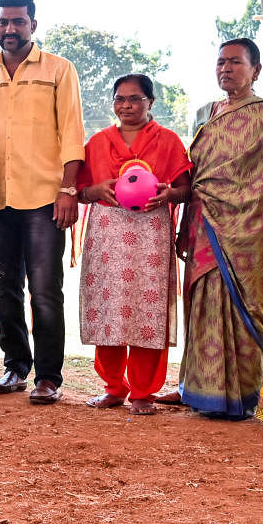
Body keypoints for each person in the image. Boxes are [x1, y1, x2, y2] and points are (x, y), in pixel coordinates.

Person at [0, 0, 84, 405]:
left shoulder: (58, 70)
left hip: (44, 199)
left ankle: (48, 377)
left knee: (46, 290)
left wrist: (68, 190)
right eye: (3, 22)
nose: (10, 29)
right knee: (5, 289)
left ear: (33, 25)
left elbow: (72, 131)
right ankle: (15, 366)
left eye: (18, 22)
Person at [165, 39, 263, 421]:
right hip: (204, 222)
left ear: (256, 70)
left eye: (235, 62)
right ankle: (196, 386)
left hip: (246, 230)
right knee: (201, 300)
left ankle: (245, 393)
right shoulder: (206, 113)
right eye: (220, 62)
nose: (226, 69)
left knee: (238, 304)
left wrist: (231, 202)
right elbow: (198, 171)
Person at [77, 75, 191, 416]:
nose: (126, 105)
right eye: (120, 99)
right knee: (108, 309)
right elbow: (81, 190)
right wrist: (97, 191)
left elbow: (186, 188)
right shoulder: (97, 142)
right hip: (107, 235)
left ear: (150, 103)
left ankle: (143, 391)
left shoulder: (168, 141)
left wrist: (169, 194)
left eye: (135, 99)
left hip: (150, 234)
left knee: (147, 312)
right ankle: (114, 387)